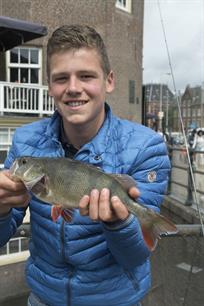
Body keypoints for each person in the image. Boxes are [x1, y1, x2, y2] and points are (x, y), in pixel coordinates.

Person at [0, 25, 170, 306]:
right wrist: (2, 209)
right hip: (44, 298)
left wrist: (119, 223)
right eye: (61, 78)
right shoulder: (25, 141)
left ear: (109, 80)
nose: (73, 88)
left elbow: (136, 255)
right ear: (49, 86)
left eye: (87, 76)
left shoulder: (147, 147)